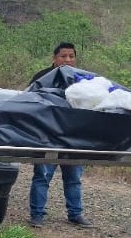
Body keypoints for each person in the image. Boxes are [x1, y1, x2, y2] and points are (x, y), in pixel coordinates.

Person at [27, 42, 92, 228]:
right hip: (47, 137)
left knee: (74, 178)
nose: (68, 60)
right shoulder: (41, 78)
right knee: (42, 175)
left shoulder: (83, 80)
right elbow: (30, 105)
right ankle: (37, 214)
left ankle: (75, 214)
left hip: (73, 138)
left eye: (71, 56)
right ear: (54, 59)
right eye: (63, 56)